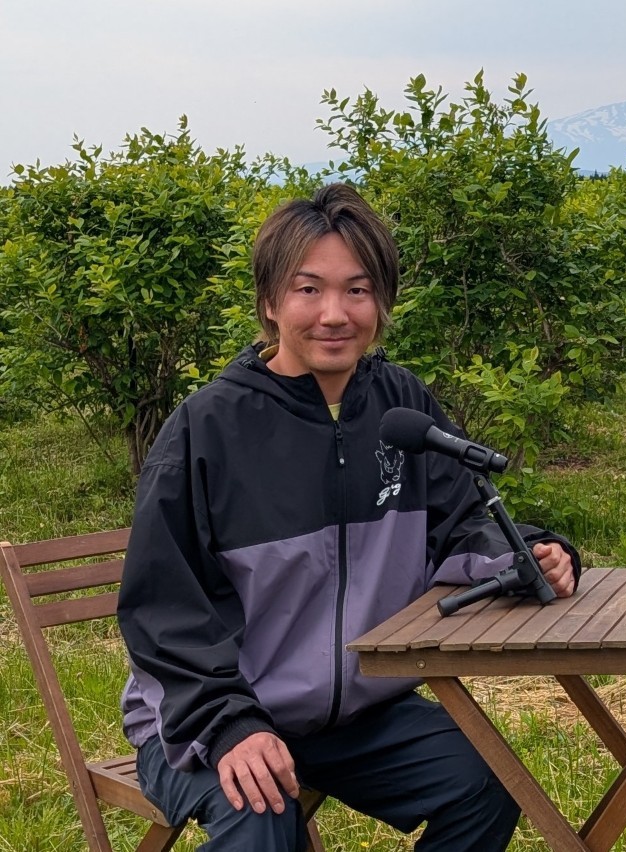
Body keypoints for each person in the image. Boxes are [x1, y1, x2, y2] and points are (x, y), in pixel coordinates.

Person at [117, 182, 580, 851]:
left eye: (357, 290)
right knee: (260, 814)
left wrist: (526, 554)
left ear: (382, 302)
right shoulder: (207, 429)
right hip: (209, 715)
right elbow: (164, 607)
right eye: (308, 289)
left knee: (487, 786)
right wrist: (229, 724)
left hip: (353, 715)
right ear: (270, 302)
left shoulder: (401, 406)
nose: (334, 314)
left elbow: (461, 519)